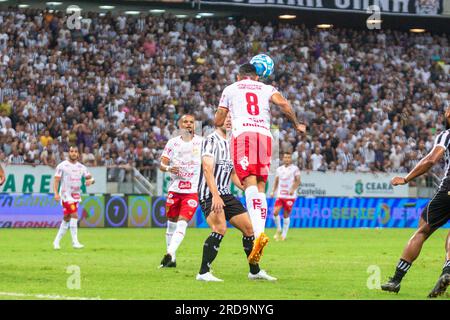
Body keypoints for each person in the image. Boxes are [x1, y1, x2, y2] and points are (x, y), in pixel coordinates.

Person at [214, 63, 306, 264]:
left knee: (249, 183)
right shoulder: (266, 88)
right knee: (261, 186)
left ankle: (257, 235)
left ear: (239, 77)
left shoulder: (231, 88)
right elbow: (284, 105)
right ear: (256, 77)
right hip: (265, 137)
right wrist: (296, 123)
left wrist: (219, 119)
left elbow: (219, 119)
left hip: (244, 136)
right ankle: (261, 233)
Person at [196, 115, 276, 282]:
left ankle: (254, 272)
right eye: (225, 117)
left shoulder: (234, 143)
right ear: (218, 121)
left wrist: (250, 190)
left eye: (232, 117)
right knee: (219, 228)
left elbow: (232, 173)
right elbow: (207, 170)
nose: (229, 120)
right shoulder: (211, 140)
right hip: (210, 194)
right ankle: (203, 273)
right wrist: (216, 196)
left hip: (225, 193)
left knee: (249, 229)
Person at [381, 108, 450, 298]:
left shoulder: (446, 135)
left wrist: (407, 178)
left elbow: (431, 159)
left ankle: (396, 279)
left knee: (422, 230)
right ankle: (447, 271)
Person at [159, 114, 203, 268]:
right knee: (171, 223)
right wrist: (170, 168)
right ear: (180, 125)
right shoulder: (172, 143)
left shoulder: (202, 143)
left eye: (191, 122)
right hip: (175, 189)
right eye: (185, 122)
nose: (188, 124)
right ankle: (172, 259)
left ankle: (170, 252)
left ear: (195, 125)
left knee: (182, 222)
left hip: (191, 190)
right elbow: (162, 165)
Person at [53, 145, 95, 250]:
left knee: (67, 218)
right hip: (65, 195)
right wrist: (56, 193)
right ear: (69, 153)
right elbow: (56, 180)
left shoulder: (81, 167)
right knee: (74, 215)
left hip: (76, 195)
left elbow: (91, 178)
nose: (73, 153)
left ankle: (56, 241)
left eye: (75, 151)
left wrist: (91, 181)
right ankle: (75, 242)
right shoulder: (62, 166)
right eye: (71, 151)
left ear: (78, 154)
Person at [270, 153, 301, 241]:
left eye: (288, 157)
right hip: (280, 194)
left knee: (286, 215)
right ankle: (279, 229)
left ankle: (284, 234)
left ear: (291, 159)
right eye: (285, 157)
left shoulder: (295, 169)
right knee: (275, 212)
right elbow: (276, 181)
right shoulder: (279, 169)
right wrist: (273, 191)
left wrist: (293, 189)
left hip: (290, 196)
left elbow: (298, 181)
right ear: (283, 159)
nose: (287, 159)